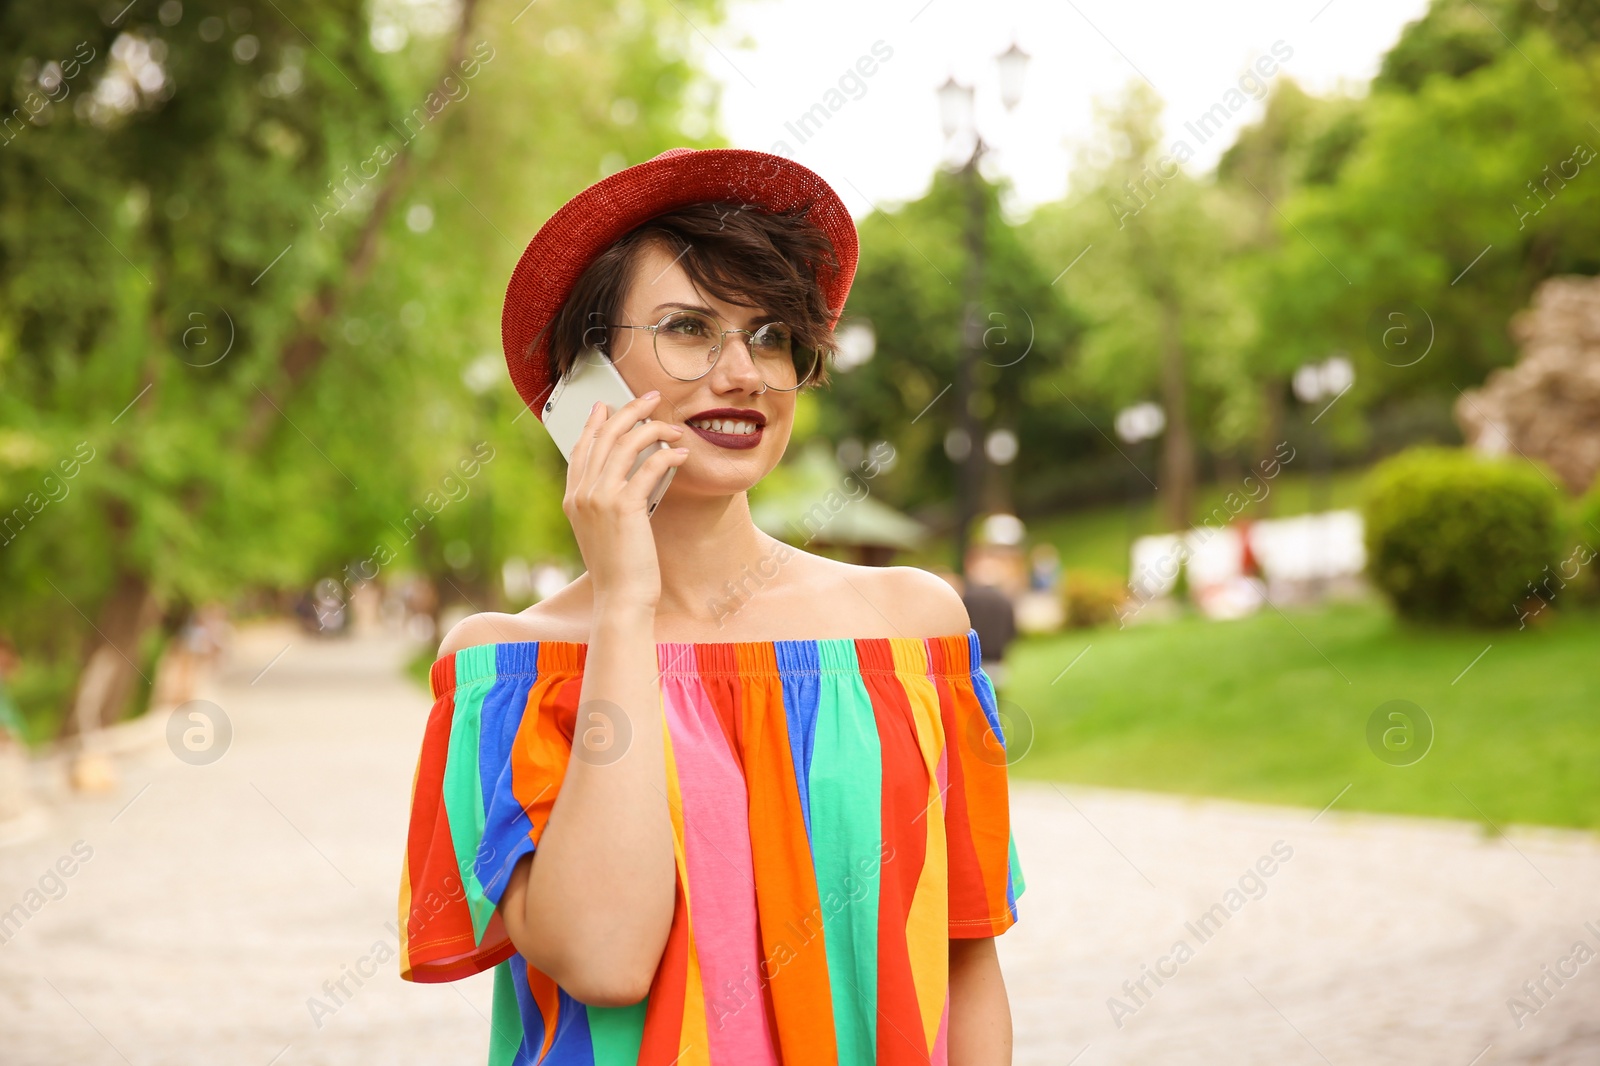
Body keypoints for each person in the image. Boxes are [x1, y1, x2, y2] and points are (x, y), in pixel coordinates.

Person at [397, 148, 1025, 1065]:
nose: (745, 374)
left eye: (771, 335)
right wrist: (623, 603)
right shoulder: (506, 670)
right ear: (586, 380)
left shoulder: (911, 630)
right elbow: (604, 958)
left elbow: (963, 968)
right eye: (690, 328)